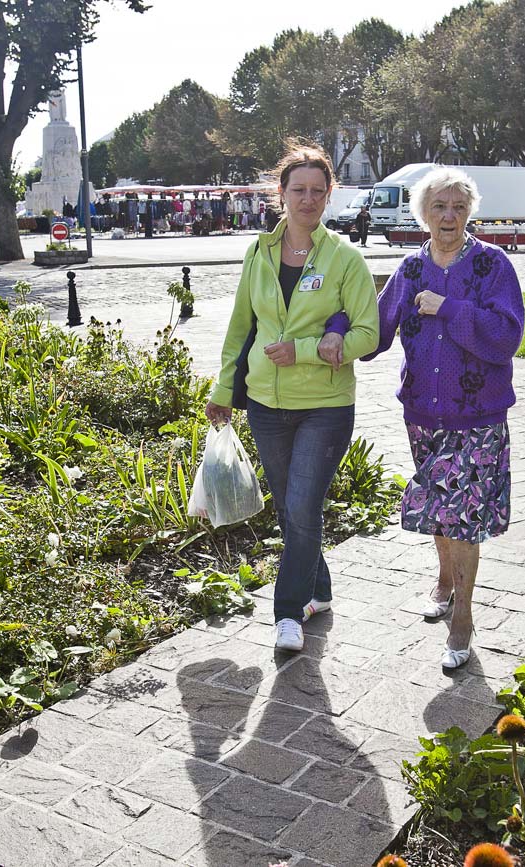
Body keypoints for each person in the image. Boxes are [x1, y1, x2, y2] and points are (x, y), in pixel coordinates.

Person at [328, 167, 525, 669]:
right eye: (439, 206)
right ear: (422, 214)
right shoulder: (410, 270)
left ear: (470, 212)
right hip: (422, 413)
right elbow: (376, 328)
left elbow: (506, 337)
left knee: (463, 517)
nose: (449, 216)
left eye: (458, 206)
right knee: (442, 508)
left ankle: (463, 616)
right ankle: (443, 580)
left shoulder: (492, 266)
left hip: (477, 415)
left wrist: (449, 308)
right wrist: (334, 328)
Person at [205, 142, 379, 653]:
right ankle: (319, 589)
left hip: (324, 406)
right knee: (289, 507)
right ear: (280, 194)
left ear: (329, 197)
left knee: (302, 503)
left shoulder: (346, 259)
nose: (307, 199)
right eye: (298, 189)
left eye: (317, 191)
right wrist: (222, 390)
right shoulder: (258, 253)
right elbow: (241, 328)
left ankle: (287, 613)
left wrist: (305, 350)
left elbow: (368, 333)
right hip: (265, 404)